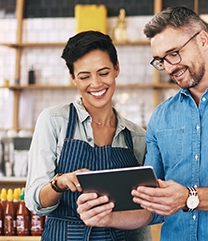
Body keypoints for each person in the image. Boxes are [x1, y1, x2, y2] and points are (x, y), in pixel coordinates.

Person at [76, 5, 208, 240]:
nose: (169, 67)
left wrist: (189, 197)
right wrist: (106, 217)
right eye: (160, 60)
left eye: (174, 53)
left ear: (203, 40)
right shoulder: (161, 116)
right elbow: (151, 204)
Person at [25, 30, 152, 241]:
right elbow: (34, 201)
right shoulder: (54, 121)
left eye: (103, 73)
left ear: (116, 69)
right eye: (84, 76)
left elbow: (144, 211)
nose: (95, 84)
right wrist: (61, 183)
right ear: (73, 78)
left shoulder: (136, 136)